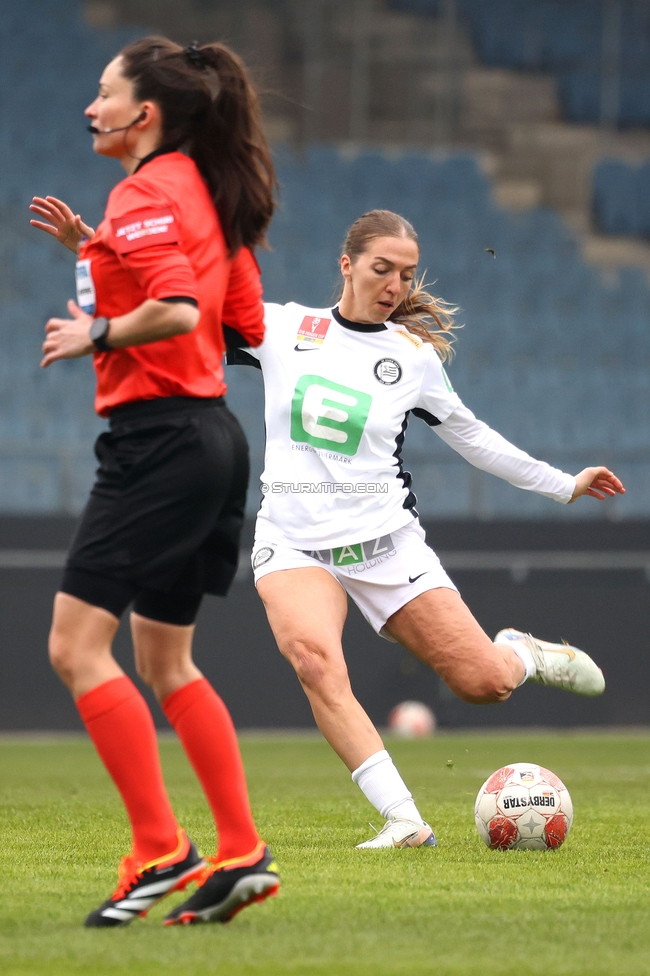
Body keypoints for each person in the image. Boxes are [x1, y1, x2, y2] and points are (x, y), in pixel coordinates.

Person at [229, 209, 625, 850]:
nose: (394, 285)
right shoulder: (281, 327)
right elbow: (181, 316)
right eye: (382, 268)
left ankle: (525, 652)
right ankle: (405, 820)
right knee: (314, 662)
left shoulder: (411, 358)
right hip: (293, 539)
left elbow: (473, 437)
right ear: (347, 264)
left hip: (386, 544)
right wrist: (97, 253)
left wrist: (563, 483)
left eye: (406, 275)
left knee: (484, 684)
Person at [29, 36, 280, 927]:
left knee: (73, 649)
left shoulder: (143, 189)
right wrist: (100, 250)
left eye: (104, 95)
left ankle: (160, 848)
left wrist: (92, 336)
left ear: (146, 115)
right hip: (213, 436)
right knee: (165, 661)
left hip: (159, 443)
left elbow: (176, 308)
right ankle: (242, 848)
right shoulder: (202, 195)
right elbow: (238, 319)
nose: (90, 109)